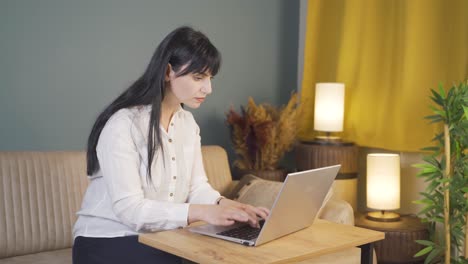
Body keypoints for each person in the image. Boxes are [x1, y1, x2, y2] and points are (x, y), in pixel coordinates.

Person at [72, 26, 270, 264]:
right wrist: (202, 212)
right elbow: (130, 210)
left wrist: (231, 206)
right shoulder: (123, 125)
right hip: (106, 239)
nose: (208, 88)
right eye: (198, 77)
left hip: (159, 237)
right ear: (168, 72)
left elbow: (198, 188)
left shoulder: (187, 124)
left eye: (210, 78)